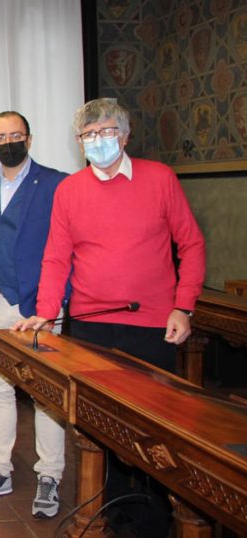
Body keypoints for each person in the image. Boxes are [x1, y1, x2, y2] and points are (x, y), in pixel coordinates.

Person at [15, 98, 205, 537]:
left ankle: (153, 519)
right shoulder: (69, 190)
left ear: (125, 135)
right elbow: (56, 257)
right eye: (88, 135)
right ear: (78, 142)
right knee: (102, 429)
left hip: (154, 325)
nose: (97, 141)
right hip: (91, 326)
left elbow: (191, 244)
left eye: (105, 132)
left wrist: (184, 305)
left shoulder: (160, 178)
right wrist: (46, 312)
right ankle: (115, 514)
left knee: (151, 429)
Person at [0, 112, 68, 518]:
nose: (8, 142)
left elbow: (65, 246)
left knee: (46, 394)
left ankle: (50, 474)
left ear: (29, 139)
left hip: (38, 307)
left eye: (15, 135)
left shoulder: (54, 183)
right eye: (1, 137)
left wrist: (53, 305)